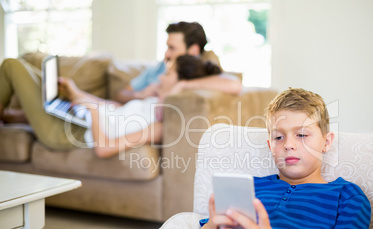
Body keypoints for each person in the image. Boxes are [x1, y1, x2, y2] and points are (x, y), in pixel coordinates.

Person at [137, 88, 372, 229]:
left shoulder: (347, 195)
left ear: (326, 142)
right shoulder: (249, 188)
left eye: (301, 135)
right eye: (279, 137)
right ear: (270, 145)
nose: (289, 145)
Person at [0, 55, 226, 158]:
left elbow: (105, 148)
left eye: (167, 74)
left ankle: (12, 116)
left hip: (66, 133)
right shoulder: (154, 102)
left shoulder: (160, 124)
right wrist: (78, 94)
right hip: (77, 117)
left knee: (12, 65)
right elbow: (116, 108)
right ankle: (10, 117)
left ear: (180, 83)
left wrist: (92, 110)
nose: (160, 78)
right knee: (46, 82)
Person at [114, 21, 241, 103]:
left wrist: (183, 84)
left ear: (193, 50)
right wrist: (140, 95)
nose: (166, 54)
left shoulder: (197, 72)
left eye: (172, 48)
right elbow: (120, 95)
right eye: (167, 47)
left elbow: (234, 84)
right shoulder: (159, 67)